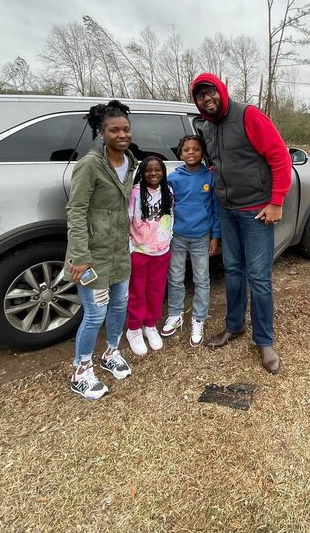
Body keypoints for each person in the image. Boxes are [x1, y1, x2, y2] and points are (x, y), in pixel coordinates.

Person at [190, 73, 291, 374]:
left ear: (221, 91)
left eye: (211, 93)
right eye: (200, 96)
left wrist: (276, 201)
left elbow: (280, 157)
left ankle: (265, 341)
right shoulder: (207, 127)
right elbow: (218, 161)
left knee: (258, 277)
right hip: (226, 208)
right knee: (232, 270)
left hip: (256, 210)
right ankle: (234, 327)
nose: (207, 99)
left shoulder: (248, 115)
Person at [65, 100, 138, 401]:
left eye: (125, 129)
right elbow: (76, 211)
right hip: (92, 255)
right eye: (113, 130)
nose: (122, 135)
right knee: (95, 314)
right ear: (101, 132)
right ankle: (81, 371)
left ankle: (110, 353)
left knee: (119, 306)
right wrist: (80, 256)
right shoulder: (91, 164)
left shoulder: (130, 162)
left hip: (119, 252)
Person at [161, 135, 221, 347]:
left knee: (201, 279)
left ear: (202, 153)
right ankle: (176, 313)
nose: (191, 153)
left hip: (201, 237)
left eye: (196, 149)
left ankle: (199, 317)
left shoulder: (209, 178)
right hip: (177, 236)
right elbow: (165, 209)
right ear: (180, 153)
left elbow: (215, 209)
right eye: (186, 149)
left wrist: (215, 236)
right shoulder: (172, 179)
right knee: (175, 276)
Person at [124, 155, 174, 357]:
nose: (153, 174)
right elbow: (127, 219)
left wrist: (168, 239)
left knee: (156, 290)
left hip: (161, 251)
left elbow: (170, 216)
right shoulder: (135, 193)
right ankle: (134, 328)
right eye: (148, 170)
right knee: (137, 291)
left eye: (157, 170)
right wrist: (129, 246)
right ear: (142, 173)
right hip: (139, 251)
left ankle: (150, 325)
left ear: (163, 171)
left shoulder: (168, 190)